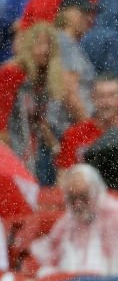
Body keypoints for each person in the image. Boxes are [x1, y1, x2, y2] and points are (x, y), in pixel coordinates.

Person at [29, 163, 118, 276]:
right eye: (72, 198)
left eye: (83, 197)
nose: (78, 204)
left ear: (95, 192)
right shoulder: (67, 221)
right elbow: (51, 257)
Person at [0, 22, 76, 185]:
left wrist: (56, 149)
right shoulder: (12, 73)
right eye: (39, 44)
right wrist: (9, 161)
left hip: (34, 148)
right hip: (13, 147)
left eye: (48, 44)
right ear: (28, 46)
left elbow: (39, 120)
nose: (44, 50)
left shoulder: (44, 78)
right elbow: (2, 122)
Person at [55, 73, 118, 170]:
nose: (106, 103)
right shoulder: (74, 134)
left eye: (112, 96)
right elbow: (63, 177)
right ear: (93, 98)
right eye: (101, 96)